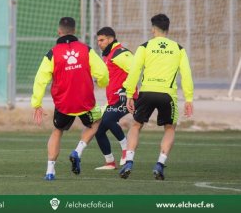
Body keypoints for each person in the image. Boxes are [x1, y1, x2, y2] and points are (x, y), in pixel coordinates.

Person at [31, 17, 109, 181]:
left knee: (57, 131)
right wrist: (102, 83)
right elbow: (102, 73)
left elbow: (40, 79)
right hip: (85, 102)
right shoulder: (86, 50)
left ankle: (50, 171)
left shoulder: (52, 53)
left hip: (63, 103)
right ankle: (77, 151)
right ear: (74, 31)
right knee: (97, 121)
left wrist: (36, 103)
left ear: (59, 32)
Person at [119, 14, 194, 180]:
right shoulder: (179, 48)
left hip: (147, 92)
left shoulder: (144, 46)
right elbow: (186, 75)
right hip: (167, 94)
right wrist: (189, 99)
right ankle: (160, 163)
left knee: (136, 125)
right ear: (168, 29)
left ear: (153, 29)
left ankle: (129, 161)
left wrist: (130, 94)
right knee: (169, 128)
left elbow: (134, 72)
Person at [94, 27, 138, 170]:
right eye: (98, 40)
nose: (99, 43)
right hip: (113, 101)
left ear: (111, 39)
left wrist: (126, 90)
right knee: (98, 130)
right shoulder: (109, 55)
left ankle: (126, 150)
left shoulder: (120, 53)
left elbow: (135, 69)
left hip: (128, 98)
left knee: (108, 119)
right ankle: (110, 162)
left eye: (102, 40)